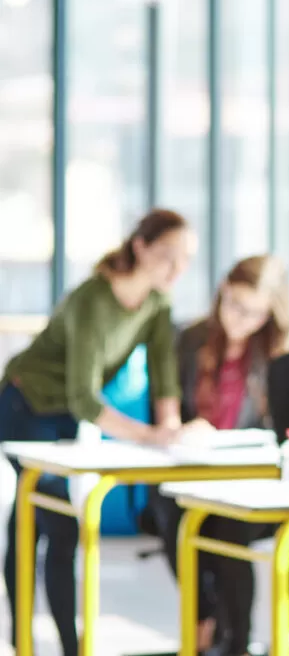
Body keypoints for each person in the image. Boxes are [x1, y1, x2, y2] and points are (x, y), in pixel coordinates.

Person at [0, 208, 209, 656]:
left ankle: (49, 644)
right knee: (50, 519)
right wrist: (147, 436)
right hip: (24, 402)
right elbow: (85, 399)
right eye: (167, 256)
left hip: (63, 415)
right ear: (140, 247)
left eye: (185, 259)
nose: (177, 269)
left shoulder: (156, 302)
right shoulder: (92, 300)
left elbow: (164, 374)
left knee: (45, 521)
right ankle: (35, 643)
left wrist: (170, 427)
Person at [148, 255, 289, 656]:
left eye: (252, 312)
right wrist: (180, 428)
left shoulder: (282, 354)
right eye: (232, 303)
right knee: (176, 518)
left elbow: (287, 431)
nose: (238, 317)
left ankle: (234, 642)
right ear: (221, 293)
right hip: (192, 473)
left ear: (270, 313)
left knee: (228, 528)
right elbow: (164, 409)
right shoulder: (191, 339)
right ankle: (206, 622)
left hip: (253, 481)